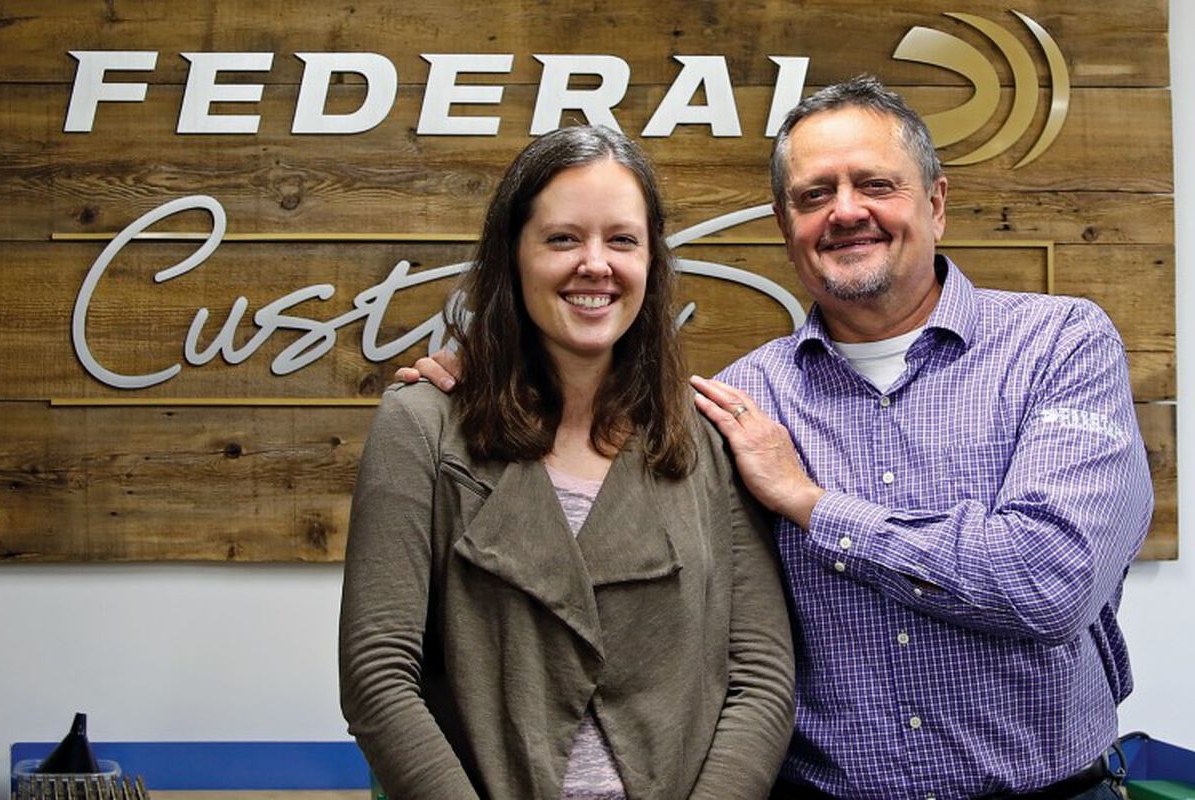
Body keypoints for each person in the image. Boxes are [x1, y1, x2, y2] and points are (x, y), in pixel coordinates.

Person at [397, 77, 1154, 799]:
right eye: (814, 195)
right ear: (785, 227)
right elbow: (711, 645)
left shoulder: (1060, 346)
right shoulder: (735, 406)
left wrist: (813, 506)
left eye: (875, 184)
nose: (845, 211)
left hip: (1054, 792)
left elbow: (1052, 583)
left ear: (937, 201)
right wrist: (492, 375)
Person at [338, 125, 795, 800]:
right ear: (513, 256)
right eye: (562, 238)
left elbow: (761, 675)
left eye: (621, 239)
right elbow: (377, 676)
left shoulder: (704, 441)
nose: (595, 264)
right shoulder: (423, 425)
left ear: (651, 262)